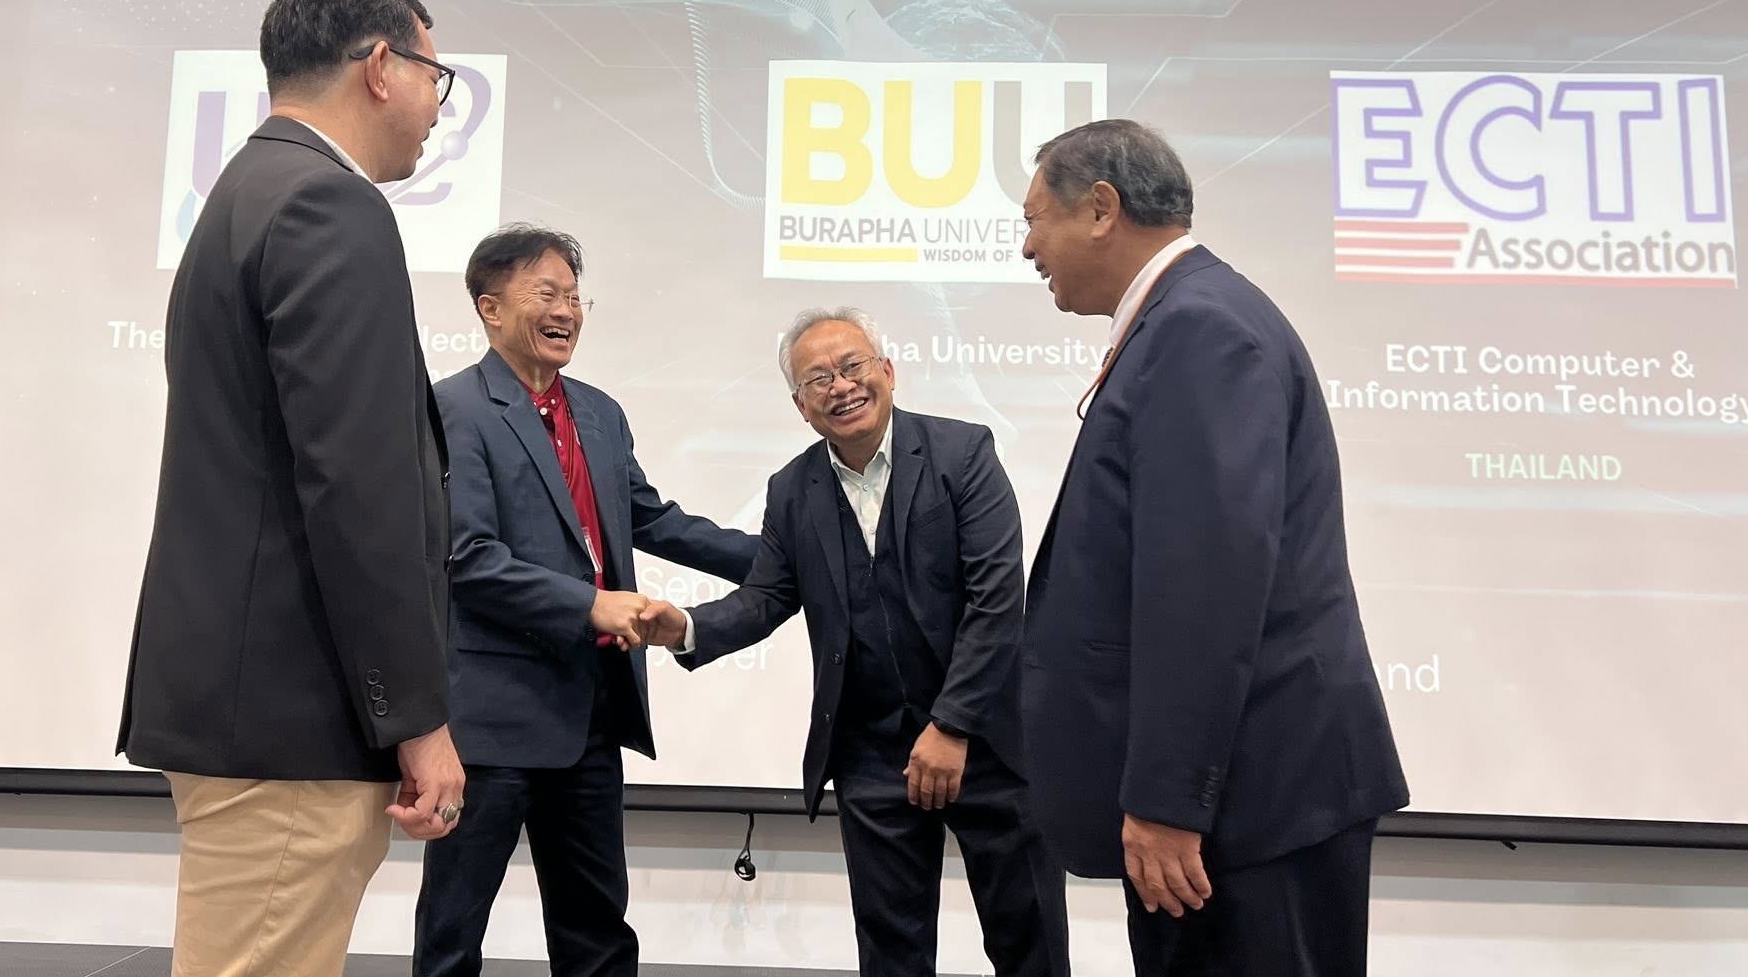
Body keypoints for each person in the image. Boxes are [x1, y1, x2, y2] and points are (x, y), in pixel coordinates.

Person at [115, 0, 466, 977]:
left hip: (250, 709)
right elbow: (357, 490)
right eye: (435, 78)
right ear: (379, 68)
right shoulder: (328, 205)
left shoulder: (247, 191)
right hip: (293, 718)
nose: (437, 108)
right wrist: (416, 718)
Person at [1015, 119, 1410, 975]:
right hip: (1245, 799)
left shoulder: (1198, 329)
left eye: (1034, 219)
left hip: (1248, 805)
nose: (1027, 248)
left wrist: (1168, 800)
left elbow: (1204, 588)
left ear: (1101, 209)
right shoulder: (1190, 317)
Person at [649, 307, 1071, 977]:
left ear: (888, 371)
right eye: (818, 379)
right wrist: (687, 627)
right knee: (890, 955)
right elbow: (768, 595)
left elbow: (996, 598)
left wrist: (951, 725)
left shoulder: (963, 453)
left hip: (987, 743)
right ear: (801, 406)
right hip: (871, 756)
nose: (841, 387)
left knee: (1030, 946)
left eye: (853, 366)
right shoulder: (793, 488)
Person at [416, 224, 758, 977]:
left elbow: (653, 519)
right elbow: (467, 557)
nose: (566, 310)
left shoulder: (599, 413)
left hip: (591, 717)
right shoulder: (453, 409)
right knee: (453, 934)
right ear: (490, 307)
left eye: (575, 296)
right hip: (493, 725)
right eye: (547, 293)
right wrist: (589, 605)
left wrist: (782, 557)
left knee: (597, 934)